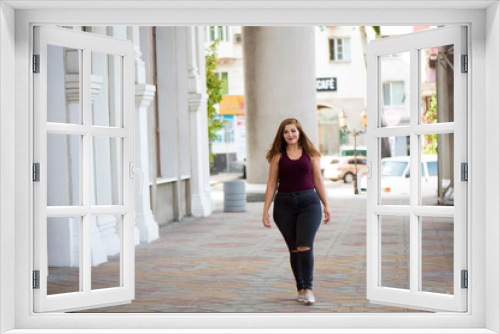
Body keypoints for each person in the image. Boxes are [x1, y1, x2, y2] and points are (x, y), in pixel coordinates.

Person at [262, 118, 331, 305]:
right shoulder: (278, 156)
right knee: (294, 249)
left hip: (309, 204)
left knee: (304, 246)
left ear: (299, 132)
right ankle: (300, 288)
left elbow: (318, 180)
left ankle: (308, 288)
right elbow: (271, 184)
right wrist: (265, 210)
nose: (290, 135)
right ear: (282, 135)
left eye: (293, 131)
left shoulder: (311, 154)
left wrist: (326, 204)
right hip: (284, 206)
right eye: (286, 132)